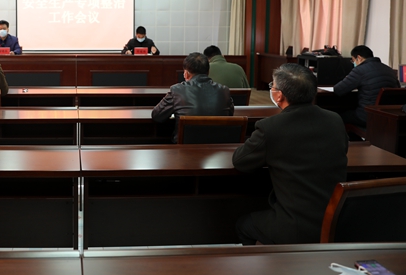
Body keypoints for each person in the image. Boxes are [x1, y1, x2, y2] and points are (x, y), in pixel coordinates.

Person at [233, 63, 348, 245]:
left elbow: (240, 161)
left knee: (244, 224)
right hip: (336, 221)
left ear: (279, 95)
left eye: (272, 86)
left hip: (296, 227)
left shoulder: (270, 127)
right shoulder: (335, 120)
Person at [152, 52, 233, 142]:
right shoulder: (224, 90)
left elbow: (157, 116)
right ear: (208, 72)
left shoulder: (177, 90)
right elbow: (230, 114)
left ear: (186, 74)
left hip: (185, 147)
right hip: (218, 146)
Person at [334, 45, 400, 127]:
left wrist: (347, 79)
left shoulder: (359, 70)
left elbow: (338, 90)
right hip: (388, 116)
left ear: (359, 58)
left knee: (337, 116)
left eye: (353, 60)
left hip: (366, 116)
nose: (353, 63)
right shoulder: (390, 70)